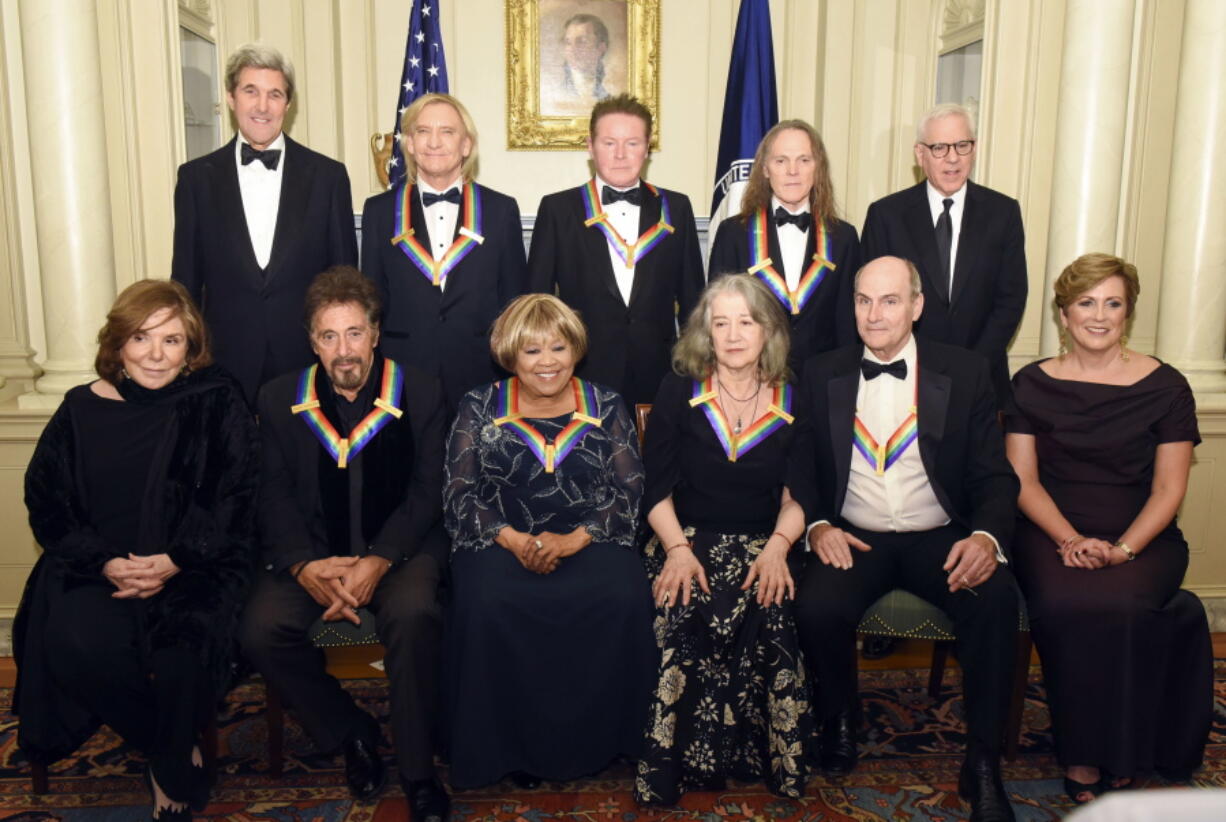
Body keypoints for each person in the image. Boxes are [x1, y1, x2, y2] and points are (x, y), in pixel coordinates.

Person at [13, 280, 258, 821]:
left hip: (195, 567)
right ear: (118, 343)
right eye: (143, 338)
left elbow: (239, 495)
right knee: (76, 644)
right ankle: (168, 747)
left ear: (191, 349)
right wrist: (105, 561)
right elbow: (46, 498)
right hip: (100, 567)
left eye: (172, 341)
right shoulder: (80, 408)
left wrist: (175, 560)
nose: (155, 354)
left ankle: (168, 760)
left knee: (182, 652)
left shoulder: (215, 399)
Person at [789, 256, 1020, 822]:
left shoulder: (964, 372)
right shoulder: (821, 372)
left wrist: (986, 537)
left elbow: (995, 475)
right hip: (855, 537)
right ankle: (840, 719)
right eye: (864, 301)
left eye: (890, 301)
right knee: (815, 605)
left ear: (916, 306)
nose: (875, 314)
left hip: (936, 536)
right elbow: (801, 469)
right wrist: (818, 526)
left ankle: (984, 762)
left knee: (993, 600)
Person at [238, 267, 450, 818]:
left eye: (354, 333)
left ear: (375, 334)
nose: (343, 349)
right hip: (314, 556)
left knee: (415, 612)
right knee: (260, 629)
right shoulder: (279, 397)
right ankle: (350, 729)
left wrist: (380, 558)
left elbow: (430, 491)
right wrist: (304, 566)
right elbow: (270, 494)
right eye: (329, 336)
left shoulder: (421, 391)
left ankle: (418, 771)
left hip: (399, 553)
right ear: (312, 341)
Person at [1003, 253, 1212, 805]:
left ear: (1128, 313)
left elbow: (1169, 490)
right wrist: (1069, 540)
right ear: (1065, 314)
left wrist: (1121, 550)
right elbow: (1023, 481)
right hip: (1049, 531)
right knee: (1068, 604)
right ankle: (1081, 752)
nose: (1099, 316)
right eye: (1086, 303)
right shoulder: (1030, 383)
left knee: (1121, 604)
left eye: (1112, 303)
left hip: (1143, 536)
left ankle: (1122, 749)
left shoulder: (1167, 387)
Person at [443, 293, 655, 788]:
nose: (547, 363)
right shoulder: (478, 405)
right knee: (486, 601)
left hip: (591, 539)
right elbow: (459, 493)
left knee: (624, 595)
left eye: (558, 348)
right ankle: (506, 749)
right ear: (510, 354)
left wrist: (572, 541)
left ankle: (614, 740)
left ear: (576, 350)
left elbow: (629, 491)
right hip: (498, 543)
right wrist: (515, 541)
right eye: (532, 351)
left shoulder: (607, 404)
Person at [635, 275, 810, 804]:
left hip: (766, 540)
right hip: (683, 536)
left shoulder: (794, 397)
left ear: (768, 330)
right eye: (721, 323)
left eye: (747, 321)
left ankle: (758, 756)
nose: (734, 335)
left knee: (772, 604)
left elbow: (801, 494)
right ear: (705, 333)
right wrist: (678, 551)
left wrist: (780, 546)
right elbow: (654, 490)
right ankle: (679, 761)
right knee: (685, 601)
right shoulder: (677, 390)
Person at [173, 43, 357, 406]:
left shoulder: (328, 177)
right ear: (230, 97)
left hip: (306, 361)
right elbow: (185, 283)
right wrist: (187, 358)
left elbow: (344, 282)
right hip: (222, 362)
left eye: (275, 94)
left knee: (304, 464)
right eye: (250, 91)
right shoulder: (195, 180)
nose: (262, 106)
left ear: (288, 105)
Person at [528, 94, 705, 409]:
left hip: (660, 373)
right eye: (609, 143)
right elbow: (536, 302)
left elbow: (693, 299)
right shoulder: (557, 209)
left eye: (633, 143)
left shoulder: (676, 208)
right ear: (590, 146)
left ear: (647, 148)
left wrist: (696, 369)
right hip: (581, 371)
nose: (621, 154)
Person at [362, 93, 527, 411]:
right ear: (409, 143)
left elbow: (515, 302)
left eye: (447, 132)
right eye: (423, 131)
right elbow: (370, 301)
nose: (434, 142)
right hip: (402, 372)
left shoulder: (500, 210)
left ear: (466, 145)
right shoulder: (379, 212)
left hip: (482, 371)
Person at [861, 103, 1026, 409]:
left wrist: (972, 365)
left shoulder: (1003, 213)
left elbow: (1011, 299)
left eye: (962, 145)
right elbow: (873, 303)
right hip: (906, 379)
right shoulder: (886, 216)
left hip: (983, 379)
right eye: (939, 148)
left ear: (974, 150)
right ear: (920, 154)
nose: (953, 157)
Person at [708, 120, 860, 372]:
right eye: (781, 161)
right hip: (754, 381)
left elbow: (847, 323)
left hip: (824, 381)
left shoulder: (844, 237)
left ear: (818, 167)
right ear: (765, 169)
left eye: (804, 160)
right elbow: (718, 318)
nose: (793, 171)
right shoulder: (732, 233)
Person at [561, 14, 612, 103]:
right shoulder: (558, 92)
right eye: (568, 42)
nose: (573, 49)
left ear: (601, 48)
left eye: (582, 41)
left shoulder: (610, 94)